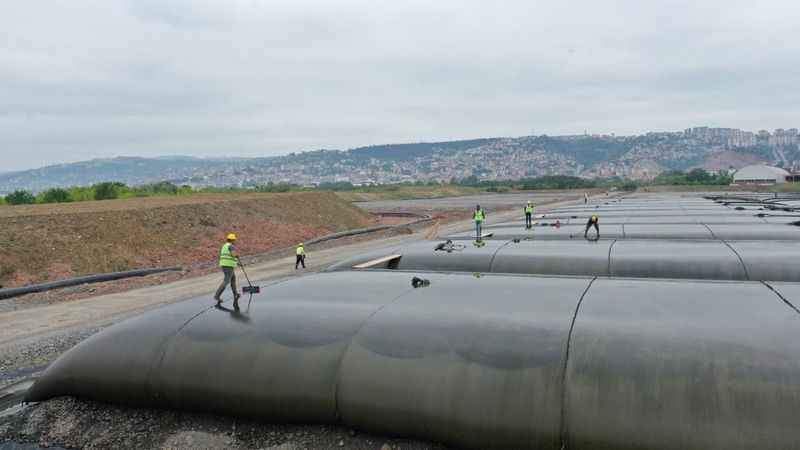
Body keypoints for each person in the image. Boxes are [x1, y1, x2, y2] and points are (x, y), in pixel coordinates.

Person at [214, 233, 241, 309]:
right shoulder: (231, 246)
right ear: (232, 240)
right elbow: (233, 254)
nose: (235, 241)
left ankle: (235, 294)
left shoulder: (225, 245)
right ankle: (217, 295)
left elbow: (229, 256)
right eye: (234, 240)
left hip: (226, 265)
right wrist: (237, 255)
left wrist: (237, 263)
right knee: (226, 281)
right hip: (228, 266)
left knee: (233, 279)